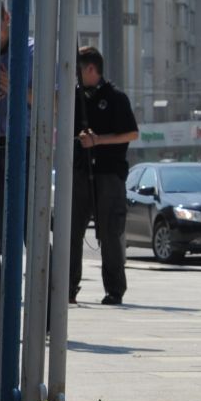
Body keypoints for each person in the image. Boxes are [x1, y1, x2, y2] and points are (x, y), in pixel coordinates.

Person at [69, 46, 138, 306]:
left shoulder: (116, 97)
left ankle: (114, 290)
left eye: (78, 70)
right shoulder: (75, 97)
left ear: (90, 69)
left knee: (110, 233)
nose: (75, 76)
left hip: (109, 173)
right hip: (80, 170)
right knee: (72, 232)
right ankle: (69, 287)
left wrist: (98, 141)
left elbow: (131, 133)